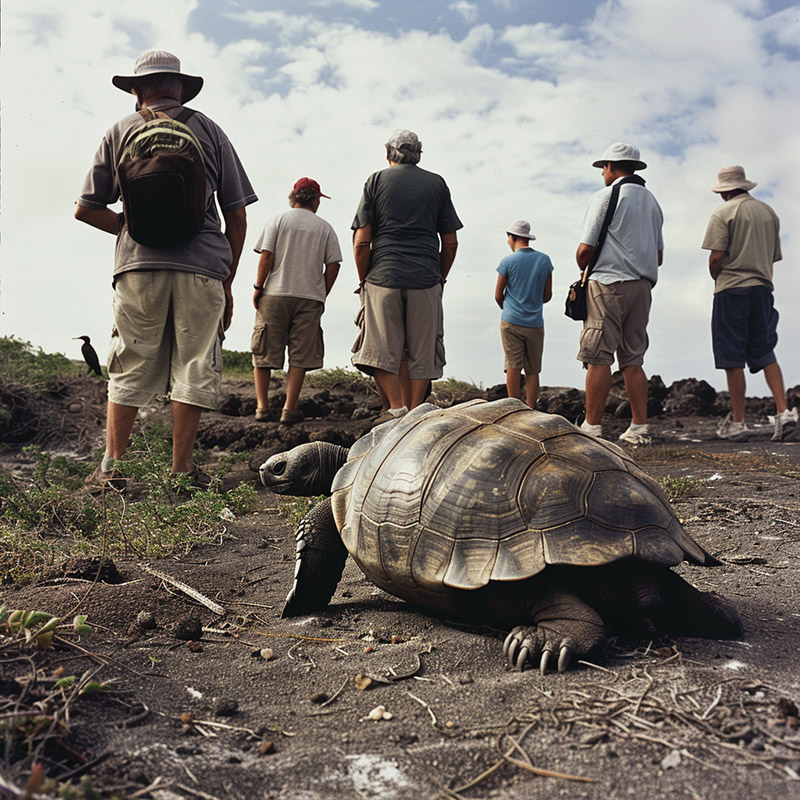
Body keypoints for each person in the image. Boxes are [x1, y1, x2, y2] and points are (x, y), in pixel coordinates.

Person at [75, 50, 257, 490]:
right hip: (203, 267)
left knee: (129, 364)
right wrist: (227, 279)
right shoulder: (209, 130)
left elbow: (85, 208)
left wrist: (129, 227)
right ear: (181, 88)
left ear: (137, 90)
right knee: (194, 365)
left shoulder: (119, 131)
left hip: (138, 266)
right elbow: (236, 214)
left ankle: (111, 469)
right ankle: (180, 471)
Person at [351, 129, 462, 421]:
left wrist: (364, 280)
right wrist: (440, 277)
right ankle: (415, 416)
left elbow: (362, 242)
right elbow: (450, 242)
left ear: (388, 154)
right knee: (423, 352)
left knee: (381, 348)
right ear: (418, 154)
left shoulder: (375, 181)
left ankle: (396, 409)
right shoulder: (437, 184)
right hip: (426, 278)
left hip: (382, 276)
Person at [575, 142, 663, 445]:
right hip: (643, 286)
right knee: (633, 358)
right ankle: (639, 426)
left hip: (609, 283)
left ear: (611, 167)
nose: (602, 172)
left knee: (598, 356)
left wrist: (584, 268)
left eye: (603, 167)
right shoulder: (652, 202)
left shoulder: (605, 196)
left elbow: (585, 251)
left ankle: (592, 427)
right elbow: (659, 255)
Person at [701, 165, 797, 442]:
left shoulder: (723, 213)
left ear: (725, 191)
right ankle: (785, 413)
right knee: (766, 350)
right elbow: (773, 256)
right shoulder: (768, 212)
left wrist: (716, 276)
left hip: (732, 288)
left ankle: (739, 423)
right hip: (763, 287)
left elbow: (716, 257)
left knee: (732, 356)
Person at [251, 178, 341, 424]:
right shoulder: (325, 227)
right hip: (310, 297)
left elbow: (266, 255)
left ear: (294, 196)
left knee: (264, 349)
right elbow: (333, 264)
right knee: (300, 354)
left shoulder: (277, 220)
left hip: (275, 293)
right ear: (314, 199)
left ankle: (262, 407)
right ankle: (289, 409)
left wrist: (258, 287)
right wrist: (322, 291)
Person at [494, 220, 553, 408]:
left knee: (512, 365)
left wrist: (509, 308)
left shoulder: (507, 261)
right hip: (535, 322)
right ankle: (531, 408)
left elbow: (498, 295)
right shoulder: (544, 260)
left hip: (511, 320)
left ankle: (514, 408)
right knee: (533, 370)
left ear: (512, 237)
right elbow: (547, 295)